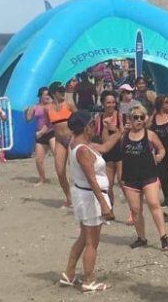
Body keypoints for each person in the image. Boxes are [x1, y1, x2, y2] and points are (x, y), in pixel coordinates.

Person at [60, 110, 120, 293]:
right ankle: (88, 280)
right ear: (86, 126)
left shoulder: (80, 144)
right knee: (92, 242)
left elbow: (105, 147)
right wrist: (103, 203)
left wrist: (118, 132)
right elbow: (92, 179)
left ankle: (69, 274)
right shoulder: (83, 150)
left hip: (84, 195)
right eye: (93, 124)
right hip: (90, 197)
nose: (95, 127)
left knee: (84, 237)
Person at [121, 105, 168, 250]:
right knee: (136, 210)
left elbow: (162, 149)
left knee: (154, 204)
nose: (139, 120)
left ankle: (163, 236)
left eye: (142, 117)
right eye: (135, 117)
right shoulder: (124, 135)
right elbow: (111, 147)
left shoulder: (150, 135)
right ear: (130, 119)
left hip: (149, 175)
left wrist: (159, 156)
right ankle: (141, 238)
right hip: (130, 178)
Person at [46, 82, 78, 207]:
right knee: (59, 171)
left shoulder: (69, 104)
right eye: (60, 91)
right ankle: (69, 198)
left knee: (76, 170)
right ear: (53, 93)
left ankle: (83, 195)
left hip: (72, 139)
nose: (63, 92)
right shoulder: (48, 108)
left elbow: (79, 118)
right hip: (59, 140)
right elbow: (47, 125)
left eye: (63, 90)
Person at [93, 91, 122, 212]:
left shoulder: (121, 116)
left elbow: (124, 136)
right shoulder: (98, 118)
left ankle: (133, 210)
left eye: (113, 102)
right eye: (108, 102)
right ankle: (110, 209)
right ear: (103, 103)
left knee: (122, 182)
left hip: (121, 152)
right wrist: (106, 127)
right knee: (108, 185)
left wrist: (113, 128)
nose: (111, 105)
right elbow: (104, 142)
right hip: (107, 154)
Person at [24, 87, 54, 185]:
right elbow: (28, 119)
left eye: (48, 94)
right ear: (40, 96)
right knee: (39, 159)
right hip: (40, 135)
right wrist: (25, 112)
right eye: (45, 94)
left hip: (51, 132)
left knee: (56, 154)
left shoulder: (51, 105)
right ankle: (42, 179)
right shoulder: (35, 107)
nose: (47, 96)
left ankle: (62, 175)